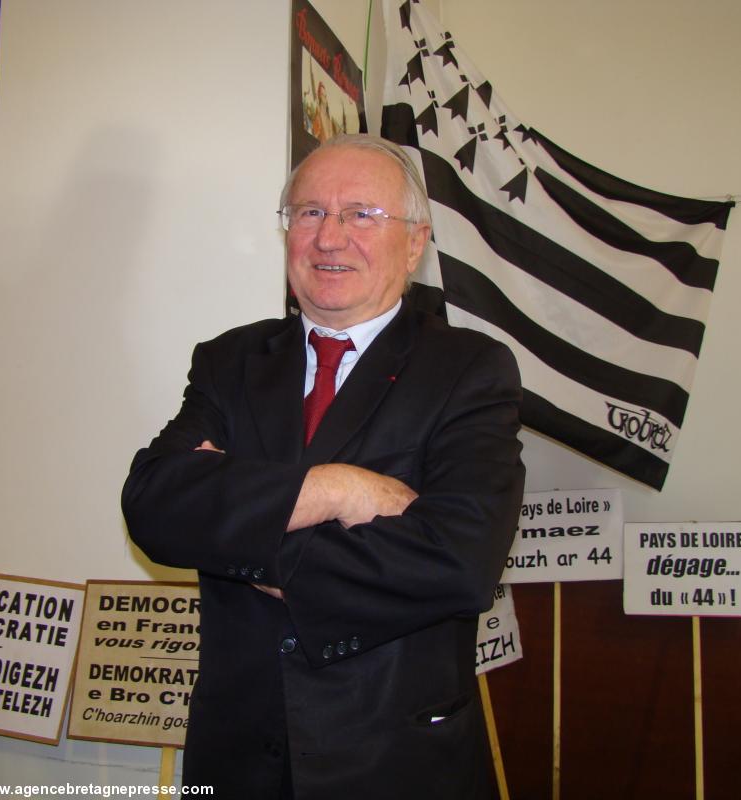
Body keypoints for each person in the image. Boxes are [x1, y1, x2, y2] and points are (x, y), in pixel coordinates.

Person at [121, 133, 525, 800]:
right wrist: (337, 489)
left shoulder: (468, 370)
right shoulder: (229, 361)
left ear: (415, 243)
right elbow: (154, 505)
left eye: (361, 214)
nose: (329, 238)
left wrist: (243, 535)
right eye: (309, 212)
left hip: (393, 761)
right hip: (238, 759)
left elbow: (459, 560)